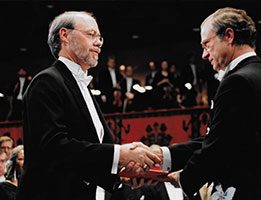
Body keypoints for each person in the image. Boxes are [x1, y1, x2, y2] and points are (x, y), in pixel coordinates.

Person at [16, 11, 160, 200]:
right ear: (64, 35)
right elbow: (53, 148)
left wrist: (122, 172)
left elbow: (88, 153)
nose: (99, 42)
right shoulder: (46, 81)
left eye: (100, 37)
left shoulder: (81, 85)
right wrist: (119, 154)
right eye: (91, 34)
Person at [152, 7, 261, 200]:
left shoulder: (238, 81)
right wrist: (164, 154)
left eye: (206, 44)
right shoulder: (258, 72)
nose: (204, 55)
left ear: (229, 35)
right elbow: (221, 136)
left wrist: (184, 178)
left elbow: (218, 148)